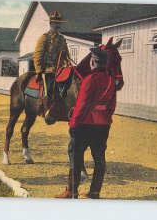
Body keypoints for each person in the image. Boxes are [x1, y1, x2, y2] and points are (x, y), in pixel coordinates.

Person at [56, 47, 116, 199]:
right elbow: (111, 107)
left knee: (75, 155)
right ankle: (94, 192)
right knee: (99, 159)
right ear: (105, 64)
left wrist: (73, 124)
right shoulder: (111, 81)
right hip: (103, 126)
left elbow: (82, 105)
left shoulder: (89, 80)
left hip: (85, 124)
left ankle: (71, 191)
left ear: (92, 62)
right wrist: (104, 119)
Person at [33, 10, 70, 121]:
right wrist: (39, 71)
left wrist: (68, 61)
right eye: (55, 23)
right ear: (50, 23)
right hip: (47, 70)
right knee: (50, 88)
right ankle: (48, 110)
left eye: (59, 23)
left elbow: (66, 55)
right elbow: (37, 55)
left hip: (59, 70)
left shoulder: (62, 39)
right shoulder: (44, 38)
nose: (57, 25)